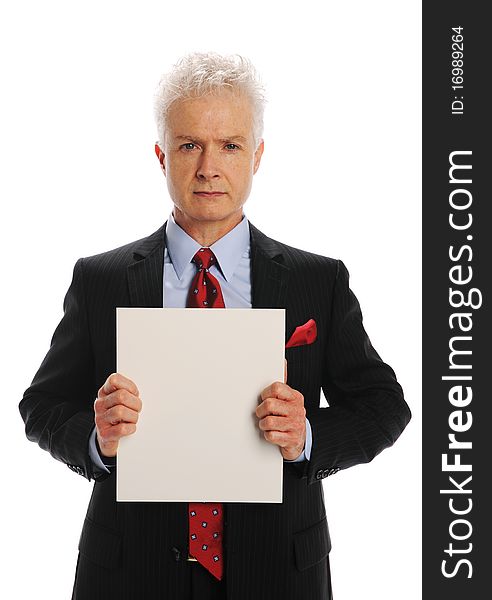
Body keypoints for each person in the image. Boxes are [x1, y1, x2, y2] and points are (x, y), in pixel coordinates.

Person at [19, 52, 411, 600]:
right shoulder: (99, 279)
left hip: (278, 572)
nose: (209, 166)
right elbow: (41, 405)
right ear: (161, 156)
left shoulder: (317, 280)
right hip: (130, 572)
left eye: (229, 145)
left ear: (257, 155)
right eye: (189, 145)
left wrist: (307, 438)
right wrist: (95, 437)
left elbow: (384, 406)